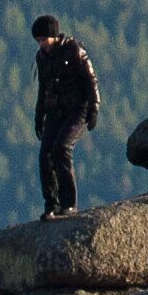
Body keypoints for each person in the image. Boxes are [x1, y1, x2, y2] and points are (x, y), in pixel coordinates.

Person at [29, 13, 101, 219]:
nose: (41, 44)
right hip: (54, 111)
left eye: (44, 40)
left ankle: (69, 204)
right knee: (45, 156)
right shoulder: (41, 57)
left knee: (61, 149)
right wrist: (38, 116)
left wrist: (94, 106)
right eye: (38, 41)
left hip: (77, 110)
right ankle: (51, 204)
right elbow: (42, 89)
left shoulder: (74, 50)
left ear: (54, 36)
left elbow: (91, 80)